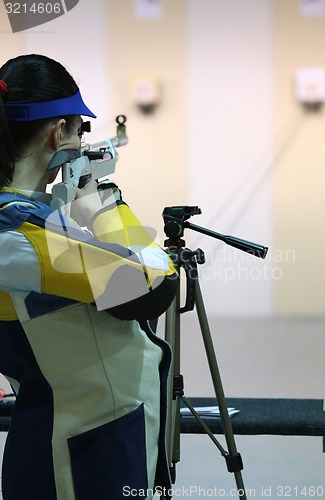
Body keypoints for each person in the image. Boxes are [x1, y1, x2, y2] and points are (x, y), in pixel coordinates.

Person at [0, 54, 178, 500]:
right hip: (87, 447)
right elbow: (154, 283)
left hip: (46, 424)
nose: (80, 140)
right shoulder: (21, 234)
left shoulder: (24, 222)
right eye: (79, 128)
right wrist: (100, 202)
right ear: (58, 132)